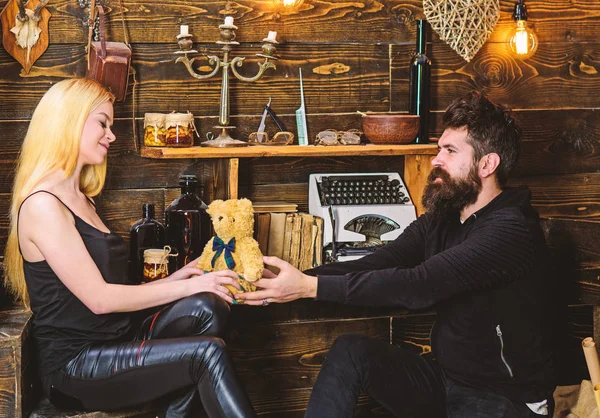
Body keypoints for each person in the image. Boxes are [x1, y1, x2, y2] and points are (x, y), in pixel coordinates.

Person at [236, 91, 557, 417]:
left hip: (505, 398)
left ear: (487, 164)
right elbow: (380, 262)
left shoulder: (511, 231)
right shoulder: (446, 216)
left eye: (450, 151)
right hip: (448, 381)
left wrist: (308, 288)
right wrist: (281, 281)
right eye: (438, 149)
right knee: (351, 352)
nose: (436, 160)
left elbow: (420, 284)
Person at [3, 78, 257, 418]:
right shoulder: (43, 206)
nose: (111, 135)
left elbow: (116, 290)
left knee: (209, 308)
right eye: (102, 123)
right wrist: (191, 284)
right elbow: (100, 299)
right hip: (76, 366)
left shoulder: (81, 199)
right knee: (207, 354)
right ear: (68, 121)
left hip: (117, 338)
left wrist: (183, 276)